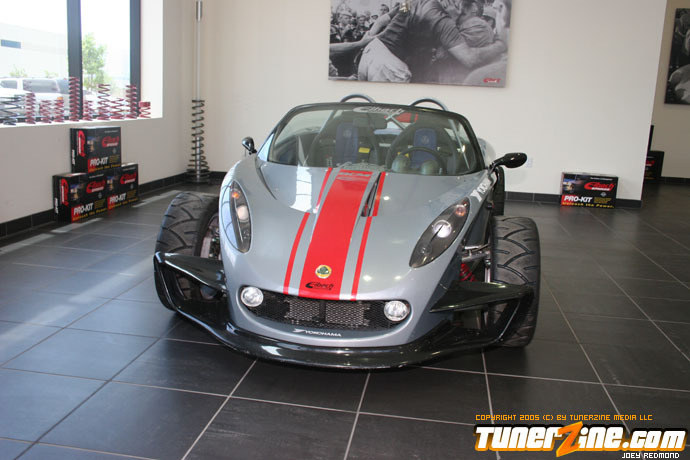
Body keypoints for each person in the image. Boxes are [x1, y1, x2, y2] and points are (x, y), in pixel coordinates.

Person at [357, 0, 506, 83]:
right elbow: (469, 58)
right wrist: (501, 45)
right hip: (389, 66)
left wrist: (367, 39)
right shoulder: (443, 21)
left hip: (371, 53)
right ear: (460, 6)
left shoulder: (412, 2)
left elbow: (382, 20)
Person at [430, 0, 496, 84]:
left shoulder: (477, 25)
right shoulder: (459, 26)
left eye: (452, 3)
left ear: (471, 8)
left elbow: (441, 54)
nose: (446, 8)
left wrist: (450, 20)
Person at [464, 0, 511, 86]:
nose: (482, 20)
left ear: (502, 9)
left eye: (486, 18)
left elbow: (470, 57)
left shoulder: (480, 78)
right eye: (482, 17)